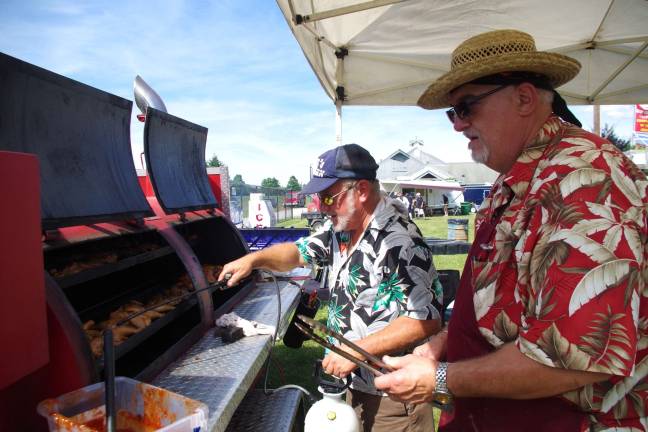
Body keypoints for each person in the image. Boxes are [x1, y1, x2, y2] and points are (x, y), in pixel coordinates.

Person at [374, 29, 648, 431]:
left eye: (466, 107)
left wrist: (441, 378)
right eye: (453, 113)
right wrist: (444, 344)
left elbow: (572, 358)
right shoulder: (515, 177)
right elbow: (502, 301)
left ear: (523, 98)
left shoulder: (586, 179)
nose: (457, 125)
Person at [219, 143, 442, 431]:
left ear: (360, 191)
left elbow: (426, 319)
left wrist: (357, 350)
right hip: (352, 382)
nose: (319, 208)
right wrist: (255, 259)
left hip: (392, 398)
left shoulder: (401, 242)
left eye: (327, 199)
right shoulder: (342, 228)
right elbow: (298, 253)